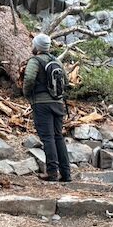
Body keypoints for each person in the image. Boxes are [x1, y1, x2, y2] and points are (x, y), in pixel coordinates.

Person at [22, 33, 71, 182]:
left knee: (48, 138)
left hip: (42, 104)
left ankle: (52, 173)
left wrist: (26, 93)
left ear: (37, 46)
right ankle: (66, 174)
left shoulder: (35, 61)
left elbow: (29, 79)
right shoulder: (57, 61)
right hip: (58, 104)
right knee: (58, 137)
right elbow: (66, 82)